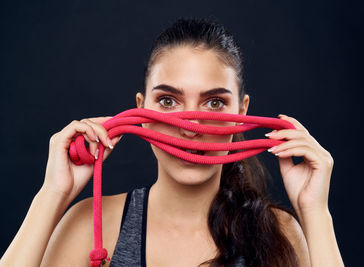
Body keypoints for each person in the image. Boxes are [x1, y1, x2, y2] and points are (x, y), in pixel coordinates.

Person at [0, 17, 344, 267]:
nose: (190, 127)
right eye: (168, 101)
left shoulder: (280, 233)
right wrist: (52, 194)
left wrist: (315, 212)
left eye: (214, 103)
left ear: (242, 112)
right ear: (141, 109)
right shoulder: (91, 226)